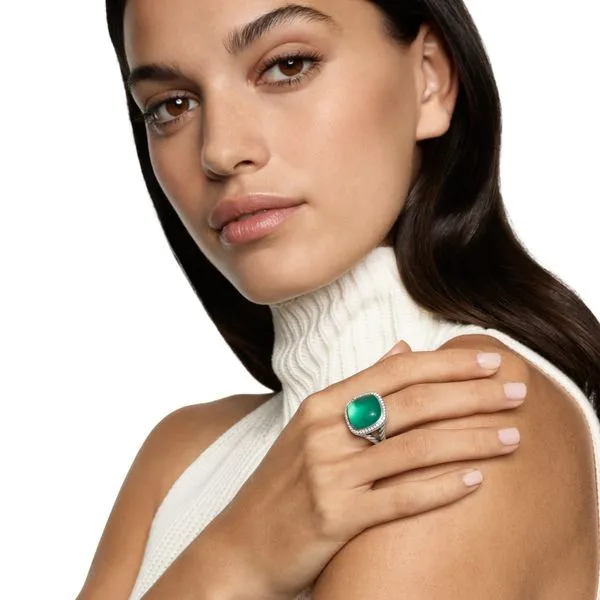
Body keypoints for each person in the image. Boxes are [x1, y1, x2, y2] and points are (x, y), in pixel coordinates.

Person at [78, 0, 600, 598]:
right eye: (171, 105)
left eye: (287, 66)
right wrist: (235, 555)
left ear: (429, 78)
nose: (219, 150)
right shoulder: (178, 459)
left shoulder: (467, 409)